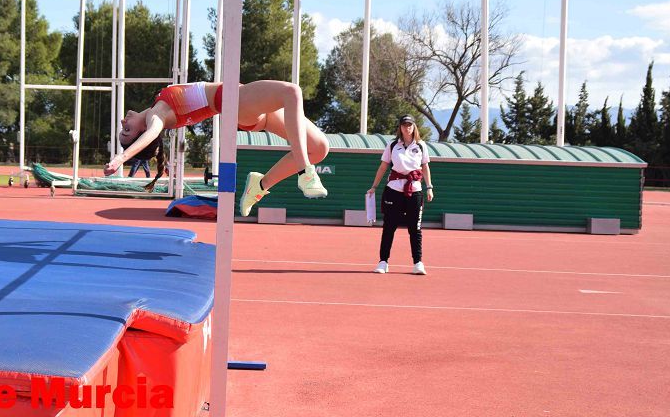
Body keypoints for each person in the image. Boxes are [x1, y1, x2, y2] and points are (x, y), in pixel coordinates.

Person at [104, 80, 330, 215]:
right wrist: (121, 158)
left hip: (251, 110)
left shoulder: (157, 107)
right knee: (292, 91)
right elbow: (153, 132)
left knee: (319, 148)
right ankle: (305, 173)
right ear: (141, 133)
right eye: (127, 131)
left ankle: (260, 184)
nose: (123, 122)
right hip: (236, 101)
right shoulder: (157, 115)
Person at [366, 115, 434, 275]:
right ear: (400, 127)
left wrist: (429, 187)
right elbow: (383, 167)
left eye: (409, 125)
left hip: (415, 191)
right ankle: (383, 262)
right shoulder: (392, 145)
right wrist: (374, 187)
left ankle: (418, 263)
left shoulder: (421, 146)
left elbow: (425, 168)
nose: (407, 128)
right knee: (389, 228)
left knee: (415, 229)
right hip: (393, 191)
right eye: (404, 125)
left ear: (414, 127)